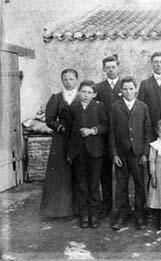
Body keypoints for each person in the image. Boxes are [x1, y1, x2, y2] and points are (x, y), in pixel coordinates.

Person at [110, 77, 152, 231]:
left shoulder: (142, 107)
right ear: (121, 91)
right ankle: (122, 213)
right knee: (121, 184)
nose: (128, 92)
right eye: (125, 89)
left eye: (131, 89)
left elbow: (148, 131)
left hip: (138, 152)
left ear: (136, 90)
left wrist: (145, 153)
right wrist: (114, 153)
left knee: (140, 183)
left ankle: (139, 213)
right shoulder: (115, 107)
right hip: (121, 153)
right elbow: (112, 133)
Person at [67, 80, 108, 228]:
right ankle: (84, 214)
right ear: (79, 92)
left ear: (94, 94)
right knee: (81, 183)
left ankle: (94, 214)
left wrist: (92, 131)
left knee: (94, 183)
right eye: (83, 92)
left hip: (95, 151)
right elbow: (69, 130)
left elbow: (105, 125)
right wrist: (70, 153)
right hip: (78, 151)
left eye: (89, 92)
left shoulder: (99, 107)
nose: (86, 95)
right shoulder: (73, 108)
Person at [39, 69, 79, 218]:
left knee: (79, 172)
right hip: (61, 140)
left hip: (78, 138)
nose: (68, 82)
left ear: (76, 80)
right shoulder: (56, 98)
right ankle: (59, 210)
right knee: (61, 173)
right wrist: (59, 126)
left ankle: (79, 209)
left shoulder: (82, 96)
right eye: (65, 79)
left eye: (71, 79)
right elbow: (49, 119)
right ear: (62, 81)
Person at [96, 55, 122, 219]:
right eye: (108, 67)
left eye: (113, 66)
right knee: (105, 173)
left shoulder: (125, 85)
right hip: (104, 137)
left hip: (122, 136)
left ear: (118, 67)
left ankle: (122, 208)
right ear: (104, 70)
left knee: (122, 174)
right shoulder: (98, 88)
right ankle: (106, 206)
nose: (111, 70)